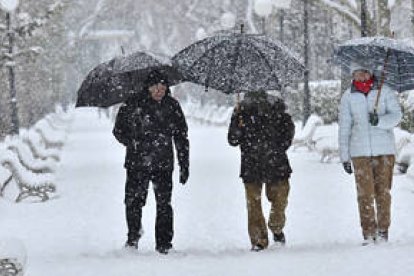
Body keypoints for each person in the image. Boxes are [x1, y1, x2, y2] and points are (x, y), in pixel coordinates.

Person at [113, 70, 189, 254]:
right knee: (133, 202)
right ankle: (133, 238)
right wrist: (132, 141)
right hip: (137, 162)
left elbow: (181, 136)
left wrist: (184, 163)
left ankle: (164, 243)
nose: (159, 90)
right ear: (148, 87)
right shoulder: (132, 104)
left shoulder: (172, 106)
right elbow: (118, 131)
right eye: (155, 86)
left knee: (164, 204)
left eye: (163, 86)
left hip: (163, 162)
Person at [338, 62, 402, 245]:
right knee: (364, 194)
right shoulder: (348, 97)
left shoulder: (385, 91)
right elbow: (344, 128)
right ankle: (368, 232)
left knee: (383, 192)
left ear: (371, 73)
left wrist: (380, 121)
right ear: (353, 75)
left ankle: (383, 230)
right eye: (358, 73)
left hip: (385, 151)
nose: (362, 76)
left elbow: (397, 116)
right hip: (359, 152)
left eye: (365, 72)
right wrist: (344, 156)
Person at [227, 91, 295, 251]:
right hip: (251, 163)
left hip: (276, 162)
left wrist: (279, 147)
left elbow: (288, 129)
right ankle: (258, 240)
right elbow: (232, 140)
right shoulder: (240, 111)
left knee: (279, 198)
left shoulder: (277, 107)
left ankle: (276, 227)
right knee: (254, 204)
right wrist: (237, 126)